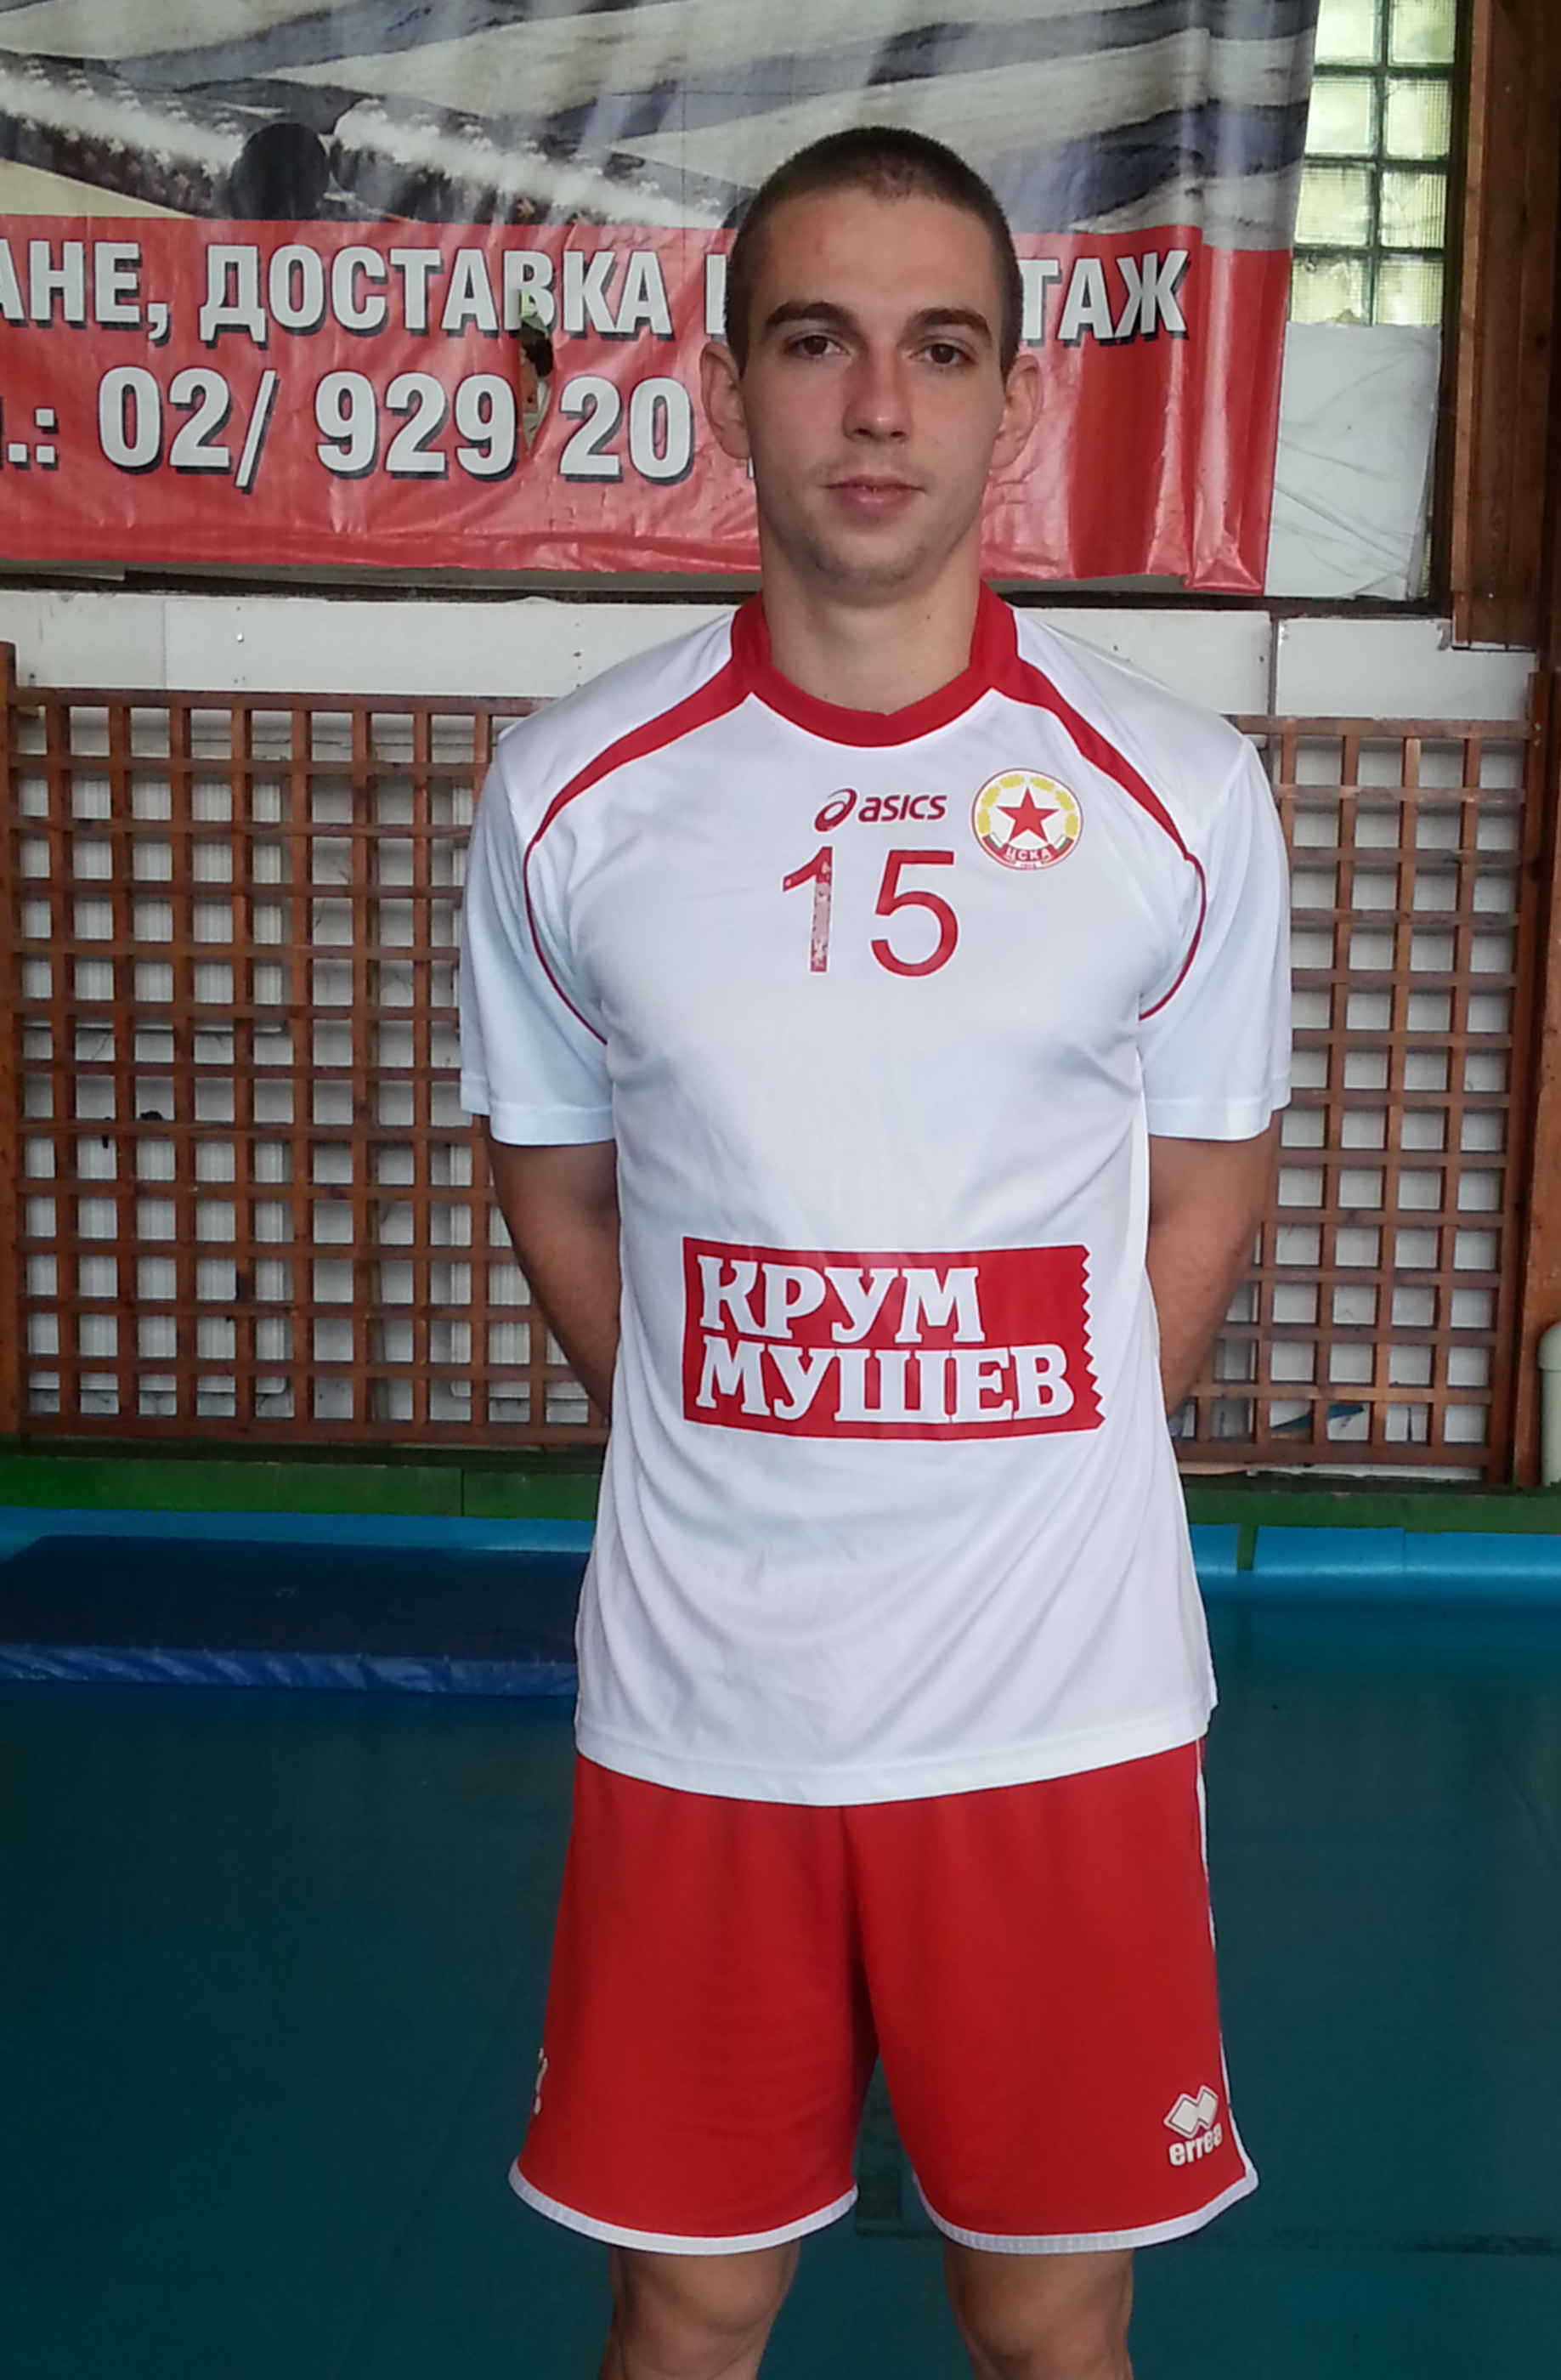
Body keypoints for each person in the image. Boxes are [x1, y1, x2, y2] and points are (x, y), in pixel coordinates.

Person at [459, 125, 1290, 2380]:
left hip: (1059, 1708)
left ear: (1019, 400)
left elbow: (1205, 1180)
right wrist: (740, 1436)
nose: (879, 406)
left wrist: (1039, 1459)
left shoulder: (1177, 793)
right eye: (817, 341)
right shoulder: (567, 795)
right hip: (707, 1701)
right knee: (690, 2307)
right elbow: (558, 1182)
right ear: (723, 386)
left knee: (1048, 2320)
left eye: (942, 348)